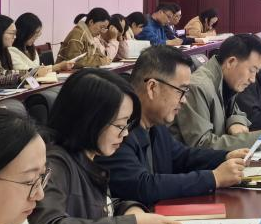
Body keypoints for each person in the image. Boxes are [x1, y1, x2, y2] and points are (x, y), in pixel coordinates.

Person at [30, 69, 187, 224]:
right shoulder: (54, 164)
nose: (125, 133)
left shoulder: (87, 158)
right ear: (90, 120)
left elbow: (97, 208)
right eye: (120, 125)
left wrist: (130, 210)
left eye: (127, 125)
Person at [101, 46, 250, 207]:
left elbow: (181, 157)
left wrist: (225, 156)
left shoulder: (155, 122)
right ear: (152, 87)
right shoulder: (118, 129)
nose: (184, 100)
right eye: (181, 91)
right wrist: (214, 178)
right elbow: (141, 185)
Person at [174, 35, 261, 151]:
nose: (253, 79)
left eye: (256, 72)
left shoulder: (227, 80)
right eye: (252, 70)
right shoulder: (199, 87)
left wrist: (235, 122)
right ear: (231, 62)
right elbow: (201, 145)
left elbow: (237, 113)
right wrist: (260, 139)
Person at [10, 12, 74, 75]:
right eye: (35, 33)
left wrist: (60, 66)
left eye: (38, 33)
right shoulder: (12, 51)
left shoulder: (30, 48)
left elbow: (37, 70)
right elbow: (29, 73)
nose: (37, 36)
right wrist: (59, 66)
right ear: (24, 32)